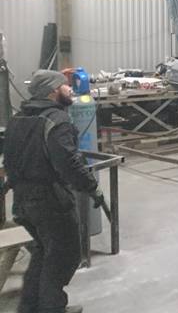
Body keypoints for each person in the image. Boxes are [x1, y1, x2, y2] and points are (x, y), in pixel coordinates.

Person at [4, 70, 101, 313]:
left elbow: (10, 160)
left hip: (22, 201)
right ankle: (52, 308)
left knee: (43, 251)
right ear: (53, 91)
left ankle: (29, 307)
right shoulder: (57, 120)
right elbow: (67, 162)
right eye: (65, 86)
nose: (70, 89)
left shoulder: (18, 119)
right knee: (64, 255)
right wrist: (91, 187)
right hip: (49, 201)